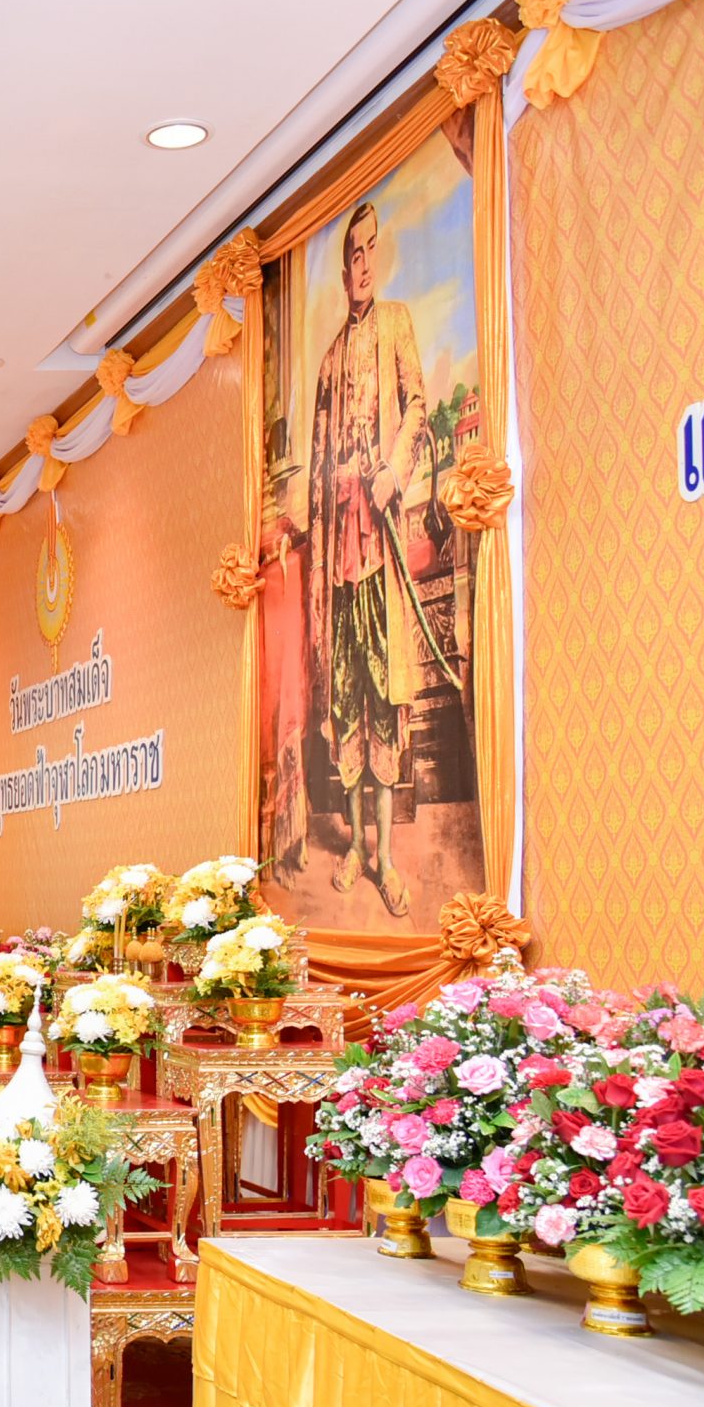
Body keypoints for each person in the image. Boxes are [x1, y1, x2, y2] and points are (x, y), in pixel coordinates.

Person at [306, 199, 429, 921]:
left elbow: (418, 409)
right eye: (351, 253)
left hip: (380, 541)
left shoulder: (397, 325)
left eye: (369, 250)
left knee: (385, 695)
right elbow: (320, 471)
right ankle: (356, 843)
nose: (361, 264)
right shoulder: (329, 361)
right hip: (340, 558)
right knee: (347, 696)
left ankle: (385, 855)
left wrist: (392, 471)